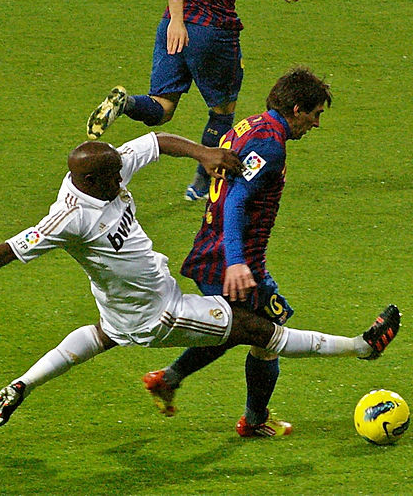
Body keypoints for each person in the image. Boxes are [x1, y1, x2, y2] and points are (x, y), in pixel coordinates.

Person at [0, 132, 400, 430]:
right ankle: (363, 347)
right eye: (113, 182)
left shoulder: (106, 167)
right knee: (257, 329)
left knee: (100, 335)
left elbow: (156, 141)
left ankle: (23, 385)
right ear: (91, 184)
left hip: (121, 304)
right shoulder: (70, 217)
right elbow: (11, 247)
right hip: (159, 315)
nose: (122, 183)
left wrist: (204, 153)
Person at [142, 66, 365, 437]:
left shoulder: (253, 125)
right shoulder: (270, 144)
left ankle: (170, 379)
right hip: (230, 258)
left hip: (219, 249)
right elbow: (238, 200)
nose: (316, 124)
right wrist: (236, 263)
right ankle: (254, 420)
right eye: (315, 114)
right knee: (267, 334)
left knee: (236, 329)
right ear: (297, 109)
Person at [86, 0, 299, 202]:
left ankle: (126, 103)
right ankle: (201, 185)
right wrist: (178, 21)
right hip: (211, 29)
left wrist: (176, 21)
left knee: (162, 106)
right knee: (222, 112)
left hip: (170, 26)